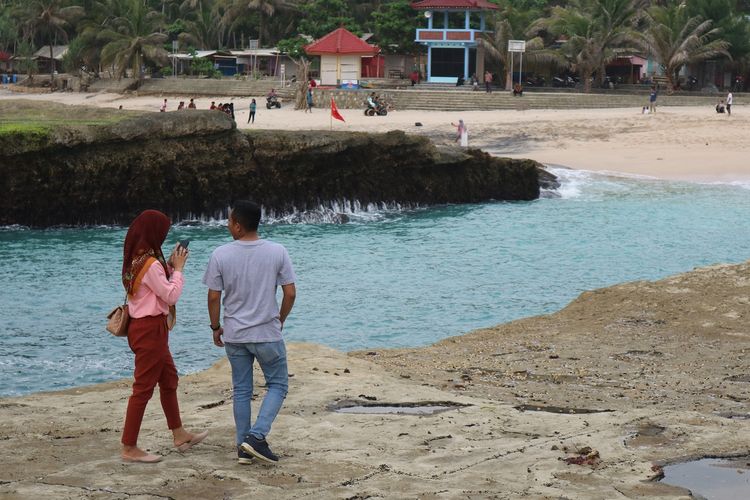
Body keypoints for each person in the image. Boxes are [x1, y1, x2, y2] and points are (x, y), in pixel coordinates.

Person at [203, 200, 297, 465]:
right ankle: (256, 438)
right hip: (267, 332)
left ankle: (244, 446)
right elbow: (289, 292)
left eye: (230, 221)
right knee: (277, 385)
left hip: (235, 334)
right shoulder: (277, 251)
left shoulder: (220, 254)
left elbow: (213, 297)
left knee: (242, 390)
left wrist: (215, 327)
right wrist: (280, 319)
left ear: (239, 225)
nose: (227, 225)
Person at [120, 210, 208, 463]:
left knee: (169, 379)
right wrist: (178, 270)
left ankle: (180, 434)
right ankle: (128, 447)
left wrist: (168, 265)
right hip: (150, 331)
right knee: (143, 389)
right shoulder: (149, 265)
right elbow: (170, 296)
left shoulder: (138, 259)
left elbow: (153, 287)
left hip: (148, 328)